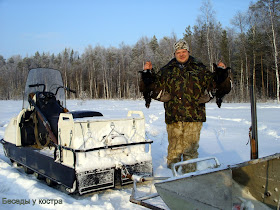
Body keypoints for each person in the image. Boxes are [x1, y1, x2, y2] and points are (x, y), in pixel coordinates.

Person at [141, 40, 230, 173]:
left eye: (184, 51)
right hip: (174, 116)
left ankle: (189, 177)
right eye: (178, 52)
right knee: (174, 150)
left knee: (190, 150)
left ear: (189, 52)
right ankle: (171, 176)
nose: (181, 54)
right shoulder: (167, 70)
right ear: (174, 53)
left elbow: (218, 86)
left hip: (194, 117)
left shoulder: (200, 69)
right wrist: (147, 74)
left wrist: (222, 74)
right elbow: (151, 88)